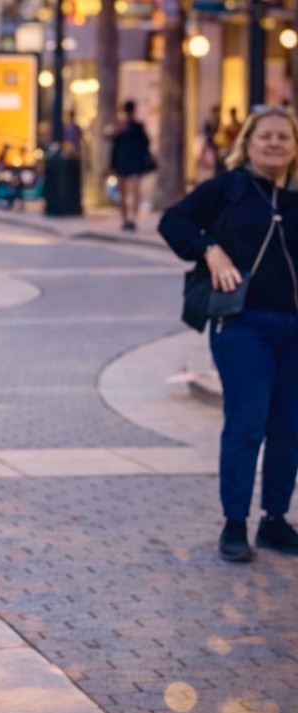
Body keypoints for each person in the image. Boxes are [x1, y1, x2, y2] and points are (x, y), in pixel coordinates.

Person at [158, 106, 298, 564]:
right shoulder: (230, 188)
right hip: (243, 327)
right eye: (265, 137)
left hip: (294, 329)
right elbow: (173, 222)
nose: (274, 143)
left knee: (289, 429)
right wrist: (209, 249)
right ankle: (234, 522)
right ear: (249, 144)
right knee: (246, 425)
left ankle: (275, 520)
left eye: (283, 136)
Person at [107, 99, 154, 231]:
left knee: (126, 192)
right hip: (132, 162)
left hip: (124, 162)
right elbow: (146, 142)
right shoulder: (132, 126)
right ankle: (130, 218)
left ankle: (128, 219)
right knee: (133, 192)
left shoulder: (126, 126)